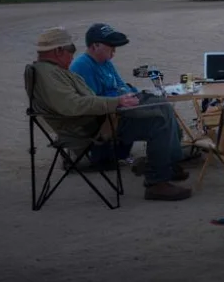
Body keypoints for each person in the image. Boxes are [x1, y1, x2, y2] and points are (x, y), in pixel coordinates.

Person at [27, 27, 191, 201]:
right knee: (159, 120)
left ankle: (162, 167)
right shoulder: (52, 75)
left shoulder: (50, 71)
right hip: (93, 127)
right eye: (71, 50)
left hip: (99, 118)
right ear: (58, 50)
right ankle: (157, 182)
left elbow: (89, 98)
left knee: (161, 107)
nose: (73, 55)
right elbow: (73, 106)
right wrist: (117, 102)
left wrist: (124, 98)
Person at [69, 23, 138, 165]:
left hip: (114, 107)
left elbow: (121, 85)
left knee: (154, 104)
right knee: (152, 116)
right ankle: (118, 152)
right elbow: (94, 99)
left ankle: (123, 152)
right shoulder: (82, 65)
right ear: (95, 46)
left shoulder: (105, 61)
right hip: (98, 118)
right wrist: (122, 96)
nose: (114, 51)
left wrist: (130, 94)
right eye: (111, 47)